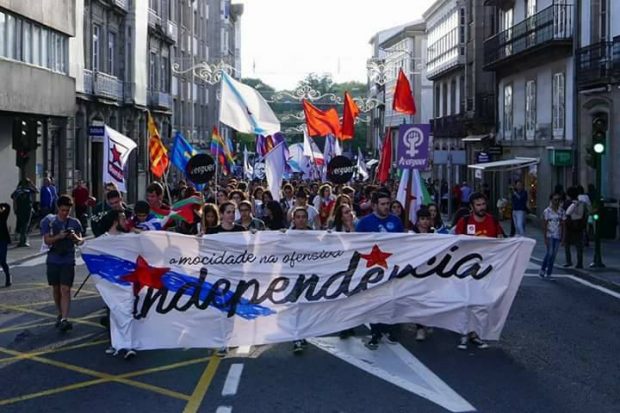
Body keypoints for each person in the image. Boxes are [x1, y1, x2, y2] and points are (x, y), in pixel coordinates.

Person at [453, 192, 503, 350]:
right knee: (466, 302)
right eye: (478, 205)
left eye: (483, 204)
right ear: (472, 207)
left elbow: (501, 241)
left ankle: (475, 334)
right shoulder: (464, 222)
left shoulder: (493, 221)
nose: (482, 207)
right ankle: (463, 332)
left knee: (481, 303)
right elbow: (455, 242)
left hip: (487, 270)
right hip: (467, 269)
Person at [356, 190, 404, 350]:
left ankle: (388, 329)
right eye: (382, 204)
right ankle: (375, 332)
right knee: (374, 301)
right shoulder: (364, 223)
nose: (386, 207)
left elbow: (404, 243)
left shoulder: (396, 221)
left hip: (391, 267)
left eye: (387, 204)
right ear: (374, 205)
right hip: (372, 270)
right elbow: (356, 245)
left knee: (390, 300)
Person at [41, 195, 83, 332]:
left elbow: (80, 242)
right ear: (58, 208)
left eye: (68, 210)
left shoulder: (75, 223)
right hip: (53, 258)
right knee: (56, 289)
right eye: (63, 210)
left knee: (65, 289)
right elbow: (47, 241)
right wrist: (59, 236)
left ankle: (65, 318)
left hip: (68, 259)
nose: (65, 213)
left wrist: (74, 237)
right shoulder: (49, 222)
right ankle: (60, 313)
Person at [290, 206, 312, 353]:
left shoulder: (315, 234)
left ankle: (303, 334)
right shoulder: (286, 235)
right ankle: (296, 337)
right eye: (298, 217)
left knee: (307, 308)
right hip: (293, 277)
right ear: (294, 219)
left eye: (303, 216)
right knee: (295, 308)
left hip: (311, 277)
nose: (301, 219)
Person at [410, 207, 434, 341]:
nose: (425, 222)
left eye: (427, 219)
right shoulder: (411, 233)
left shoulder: (433, 232)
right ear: (418, 220)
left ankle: (428, 321)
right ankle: (420, 328)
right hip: (416, 271)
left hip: (432, 270)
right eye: (422, 219)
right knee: (418, 299)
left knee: (429, 299)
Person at [540, 194, 565, 279]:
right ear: (551, 200)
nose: (556, 202)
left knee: (553, 254)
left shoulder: (561, 211)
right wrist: (545, 237)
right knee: (550, 253)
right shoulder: (547, 211)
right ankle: (543, 269)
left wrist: (563, 236)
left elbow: (563, 224)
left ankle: (549, 272)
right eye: (555, 200)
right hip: (549, 234)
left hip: (557, 235)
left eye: (558, 200)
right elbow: (544, 224)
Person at [563, 187, 587, 269]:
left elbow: (565, 213)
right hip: (579, 226)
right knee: (579, 245)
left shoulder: (567, 203)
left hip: (569, 226)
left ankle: (568, 261)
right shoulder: (581, 203)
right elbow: (584, 214)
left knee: (567, 244)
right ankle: (579, 263)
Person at [11, 178, 38, 247]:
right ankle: (23, 240)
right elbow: (37, 190)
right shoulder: (28, 190)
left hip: (20, 210)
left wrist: (15, 209)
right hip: (26, 210)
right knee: (25, 225)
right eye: (29, 183)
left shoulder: (18, 190)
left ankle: (22, 239)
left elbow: (14, 199)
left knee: (22, 224)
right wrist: (32, 184)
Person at [0, 203, 12, 287]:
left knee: (2, 260)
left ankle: (8, 277)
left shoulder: (2, 215)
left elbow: (7, 206)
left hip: (2, 240)